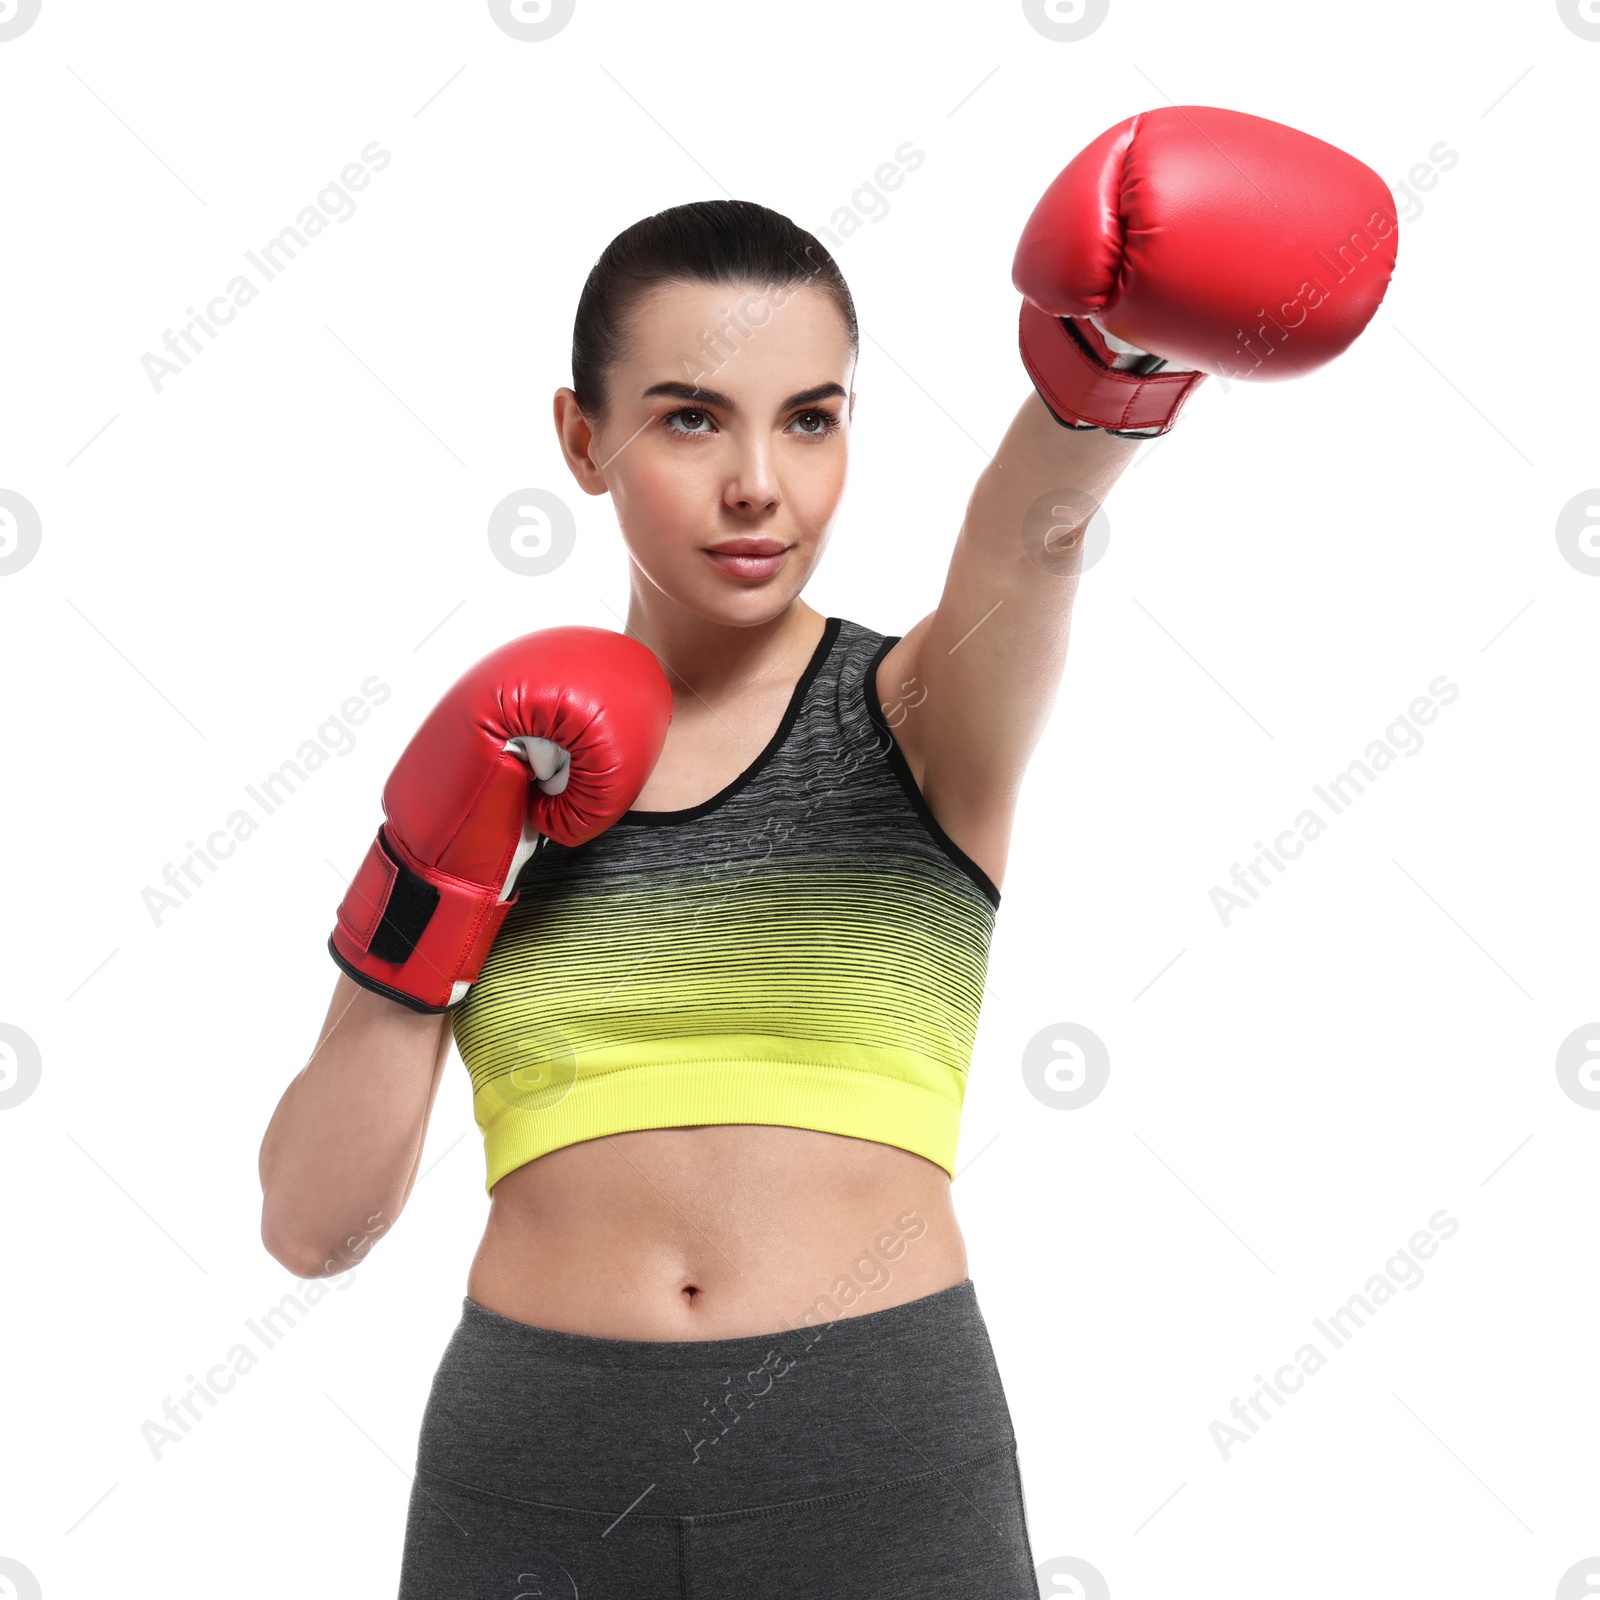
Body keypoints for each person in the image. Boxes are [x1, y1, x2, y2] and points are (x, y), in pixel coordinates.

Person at [258, 106, 1396, 1598]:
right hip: (536, 1462)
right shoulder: (502, 775)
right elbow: (313, 1229)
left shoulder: (922, 714)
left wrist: (1107, 364)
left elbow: (1034, 531)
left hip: (875, 1451)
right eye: (688, 416)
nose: (759, 486)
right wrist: (437, 871)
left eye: (812, 416)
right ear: (579, 438)